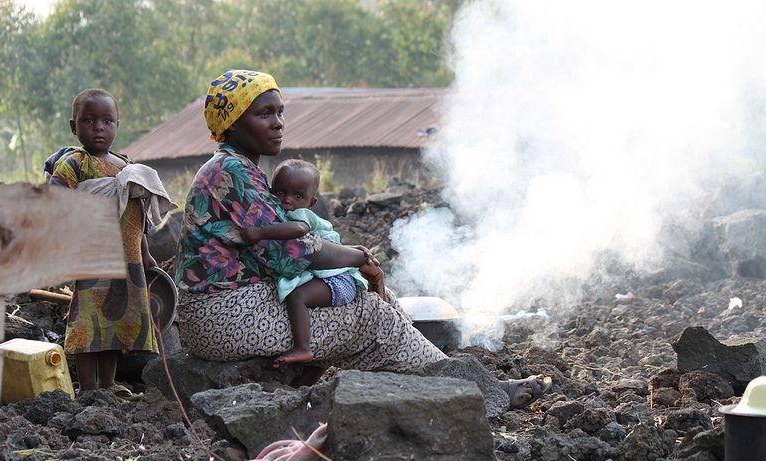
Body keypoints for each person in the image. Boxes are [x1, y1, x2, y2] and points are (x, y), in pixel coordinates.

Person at [175, 69, 551, 408]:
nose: (278, 123)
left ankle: (463, 387)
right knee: (370, 317)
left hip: (227, 308)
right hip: (222, 314)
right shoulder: (233, 172)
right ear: (231, 123)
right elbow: (291, 254)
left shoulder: (237, 168)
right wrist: (357, 258)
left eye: (279, 112)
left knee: (381, 304)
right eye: (264, 114)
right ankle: (474, 396)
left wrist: (355, 260)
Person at [45, 88, 163, 400]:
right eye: (89, 120)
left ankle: (108, 383)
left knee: (118, 320)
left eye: (107, 121)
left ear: (117, 125)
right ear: (74, 127)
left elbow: (138, 215)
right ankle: (88, 388)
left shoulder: (127, 166)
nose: (99, 127)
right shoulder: (74, 164)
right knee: (89, 320)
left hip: (128, 260)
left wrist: (147, 254)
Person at [241, 159, 380, 368]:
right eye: (279, 192)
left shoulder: (302, 215)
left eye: (298, 196)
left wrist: (260, 232)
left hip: (339, 281)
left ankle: (302, 347)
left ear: (311, 202)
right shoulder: (282, 213)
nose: (287, 200)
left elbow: (298, 231)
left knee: (298, 297)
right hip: (334, 278)